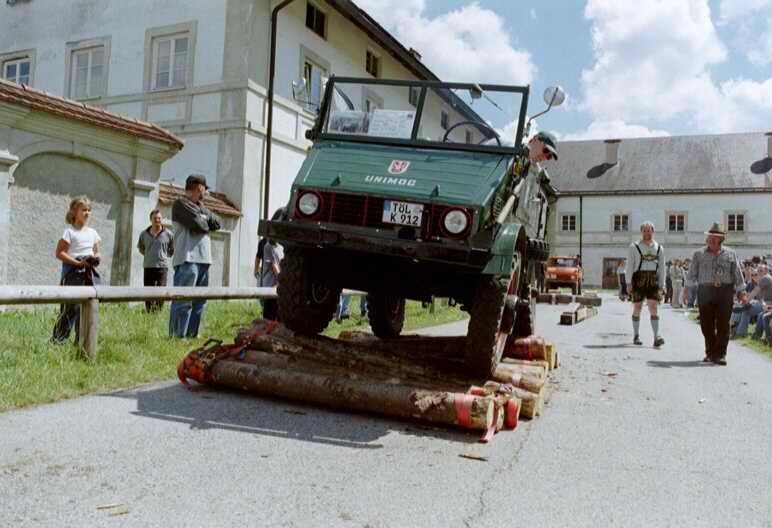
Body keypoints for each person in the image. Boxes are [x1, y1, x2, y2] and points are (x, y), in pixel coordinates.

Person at [169, 174, 221, 338]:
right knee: (183, 300)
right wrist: (205, 219)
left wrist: (203, 216)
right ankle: (178, 336)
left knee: (200, 301)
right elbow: (199, 225)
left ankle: (192, 335)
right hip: (187, 259)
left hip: (204, 260)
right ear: (199, 188)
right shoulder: (180, 204)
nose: (205, 193)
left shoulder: (200, 207)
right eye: (205, 189)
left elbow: (217, 222)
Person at [687, 223, 745, 365]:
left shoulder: (731, 253)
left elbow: (737, 273)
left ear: (721, 239)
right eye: (710, 237)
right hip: (705, 290)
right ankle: (711, 352)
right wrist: (687, 291)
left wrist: (741, 291)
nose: (711, 240)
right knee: (706, 324)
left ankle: (720, 354)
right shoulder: (698, 254)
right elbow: (691, 274)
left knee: (723, 324)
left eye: (715, 237)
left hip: (725, 290)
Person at [52, 197, 102, 343]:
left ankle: (82, 343)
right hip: (73, 273)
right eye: (83, 210)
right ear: (74, 212)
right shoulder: (69, 232)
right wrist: (78, 264)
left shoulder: (93, 232)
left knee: (88, 308)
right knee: (70, 308)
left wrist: (96, 258)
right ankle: (58, 341)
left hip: (89, 273)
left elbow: (97, 251)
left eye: (89, 210)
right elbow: (60, 253)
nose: (87, 213)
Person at [626, 222, 665, 347]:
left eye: (649, 230)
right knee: (638, 307)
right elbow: (629, 265)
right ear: (641, 232)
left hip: (653, 279)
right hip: (639, 278)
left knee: (653, 307)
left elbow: (662, 268)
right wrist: (628, 283)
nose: (647, 233)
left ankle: (656, 337)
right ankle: (636, 335)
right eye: (645, 230)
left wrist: (662, 284)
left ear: (653, 231)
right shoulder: (634, 246)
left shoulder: (659, 248)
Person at [137, 209, 174, 312]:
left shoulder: (169, 234)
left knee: (161, 291)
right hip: (148, 266)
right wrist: (149, 255)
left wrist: (162, 256)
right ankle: (149, 312)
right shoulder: (144, 234)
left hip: (162, 267)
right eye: (155, 218)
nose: (157, 220)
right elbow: (141, 249)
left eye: (159, 218)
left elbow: (171, 250)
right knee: (148, 292)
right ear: (151, 220)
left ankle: (158, 312)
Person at [257, 208, 285, 321]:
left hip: (280, 287)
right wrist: (284, 281)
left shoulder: (281, 246)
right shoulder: (268, 246)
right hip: (271, 288)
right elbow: (275, 267)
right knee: (269, 319)